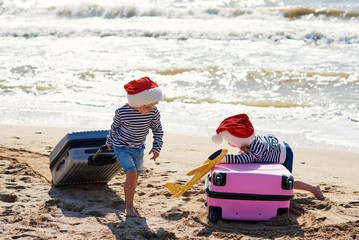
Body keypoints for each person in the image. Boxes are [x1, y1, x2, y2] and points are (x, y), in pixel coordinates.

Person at [212, 113, 324, 200]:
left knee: (284, 182)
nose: (229, 144)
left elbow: (244, 159)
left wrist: (224, 159)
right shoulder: (248, 142)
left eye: (230, 141)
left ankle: (313, 188)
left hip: (283, 154)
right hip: (272, 148)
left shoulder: (257, 147)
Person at [106, 76, 164, 217]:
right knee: (131, 174)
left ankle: (129, 199)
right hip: (121, 147)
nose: (151, 109)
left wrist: (156, 147)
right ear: (137, 102)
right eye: (147, 107)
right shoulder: (122, 112)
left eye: (153, 106)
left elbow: (158, 130)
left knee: (135, 177)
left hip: (139, 149)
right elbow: (114, 127)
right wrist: (109, 141)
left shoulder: (153, 113)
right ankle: (129, 207)